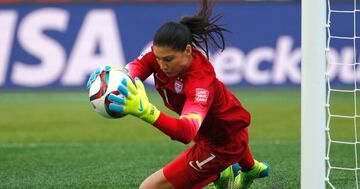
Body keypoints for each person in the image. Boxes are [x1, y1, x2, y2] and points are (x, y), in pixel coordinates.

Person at [87, 0, 269, 188]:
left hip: (220, 147)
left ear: (188, 51)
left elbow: (186, 132)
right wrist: (119, 76)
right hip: (217, 130)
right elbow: (140, 65)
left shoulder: (200, 82)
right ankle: (248, 168)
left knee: (149, 188)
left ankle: (222, 172)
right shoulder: (160, 55)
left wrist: (147, 112)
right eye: (158, 58)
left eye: (168, 59)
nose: (162, 64)